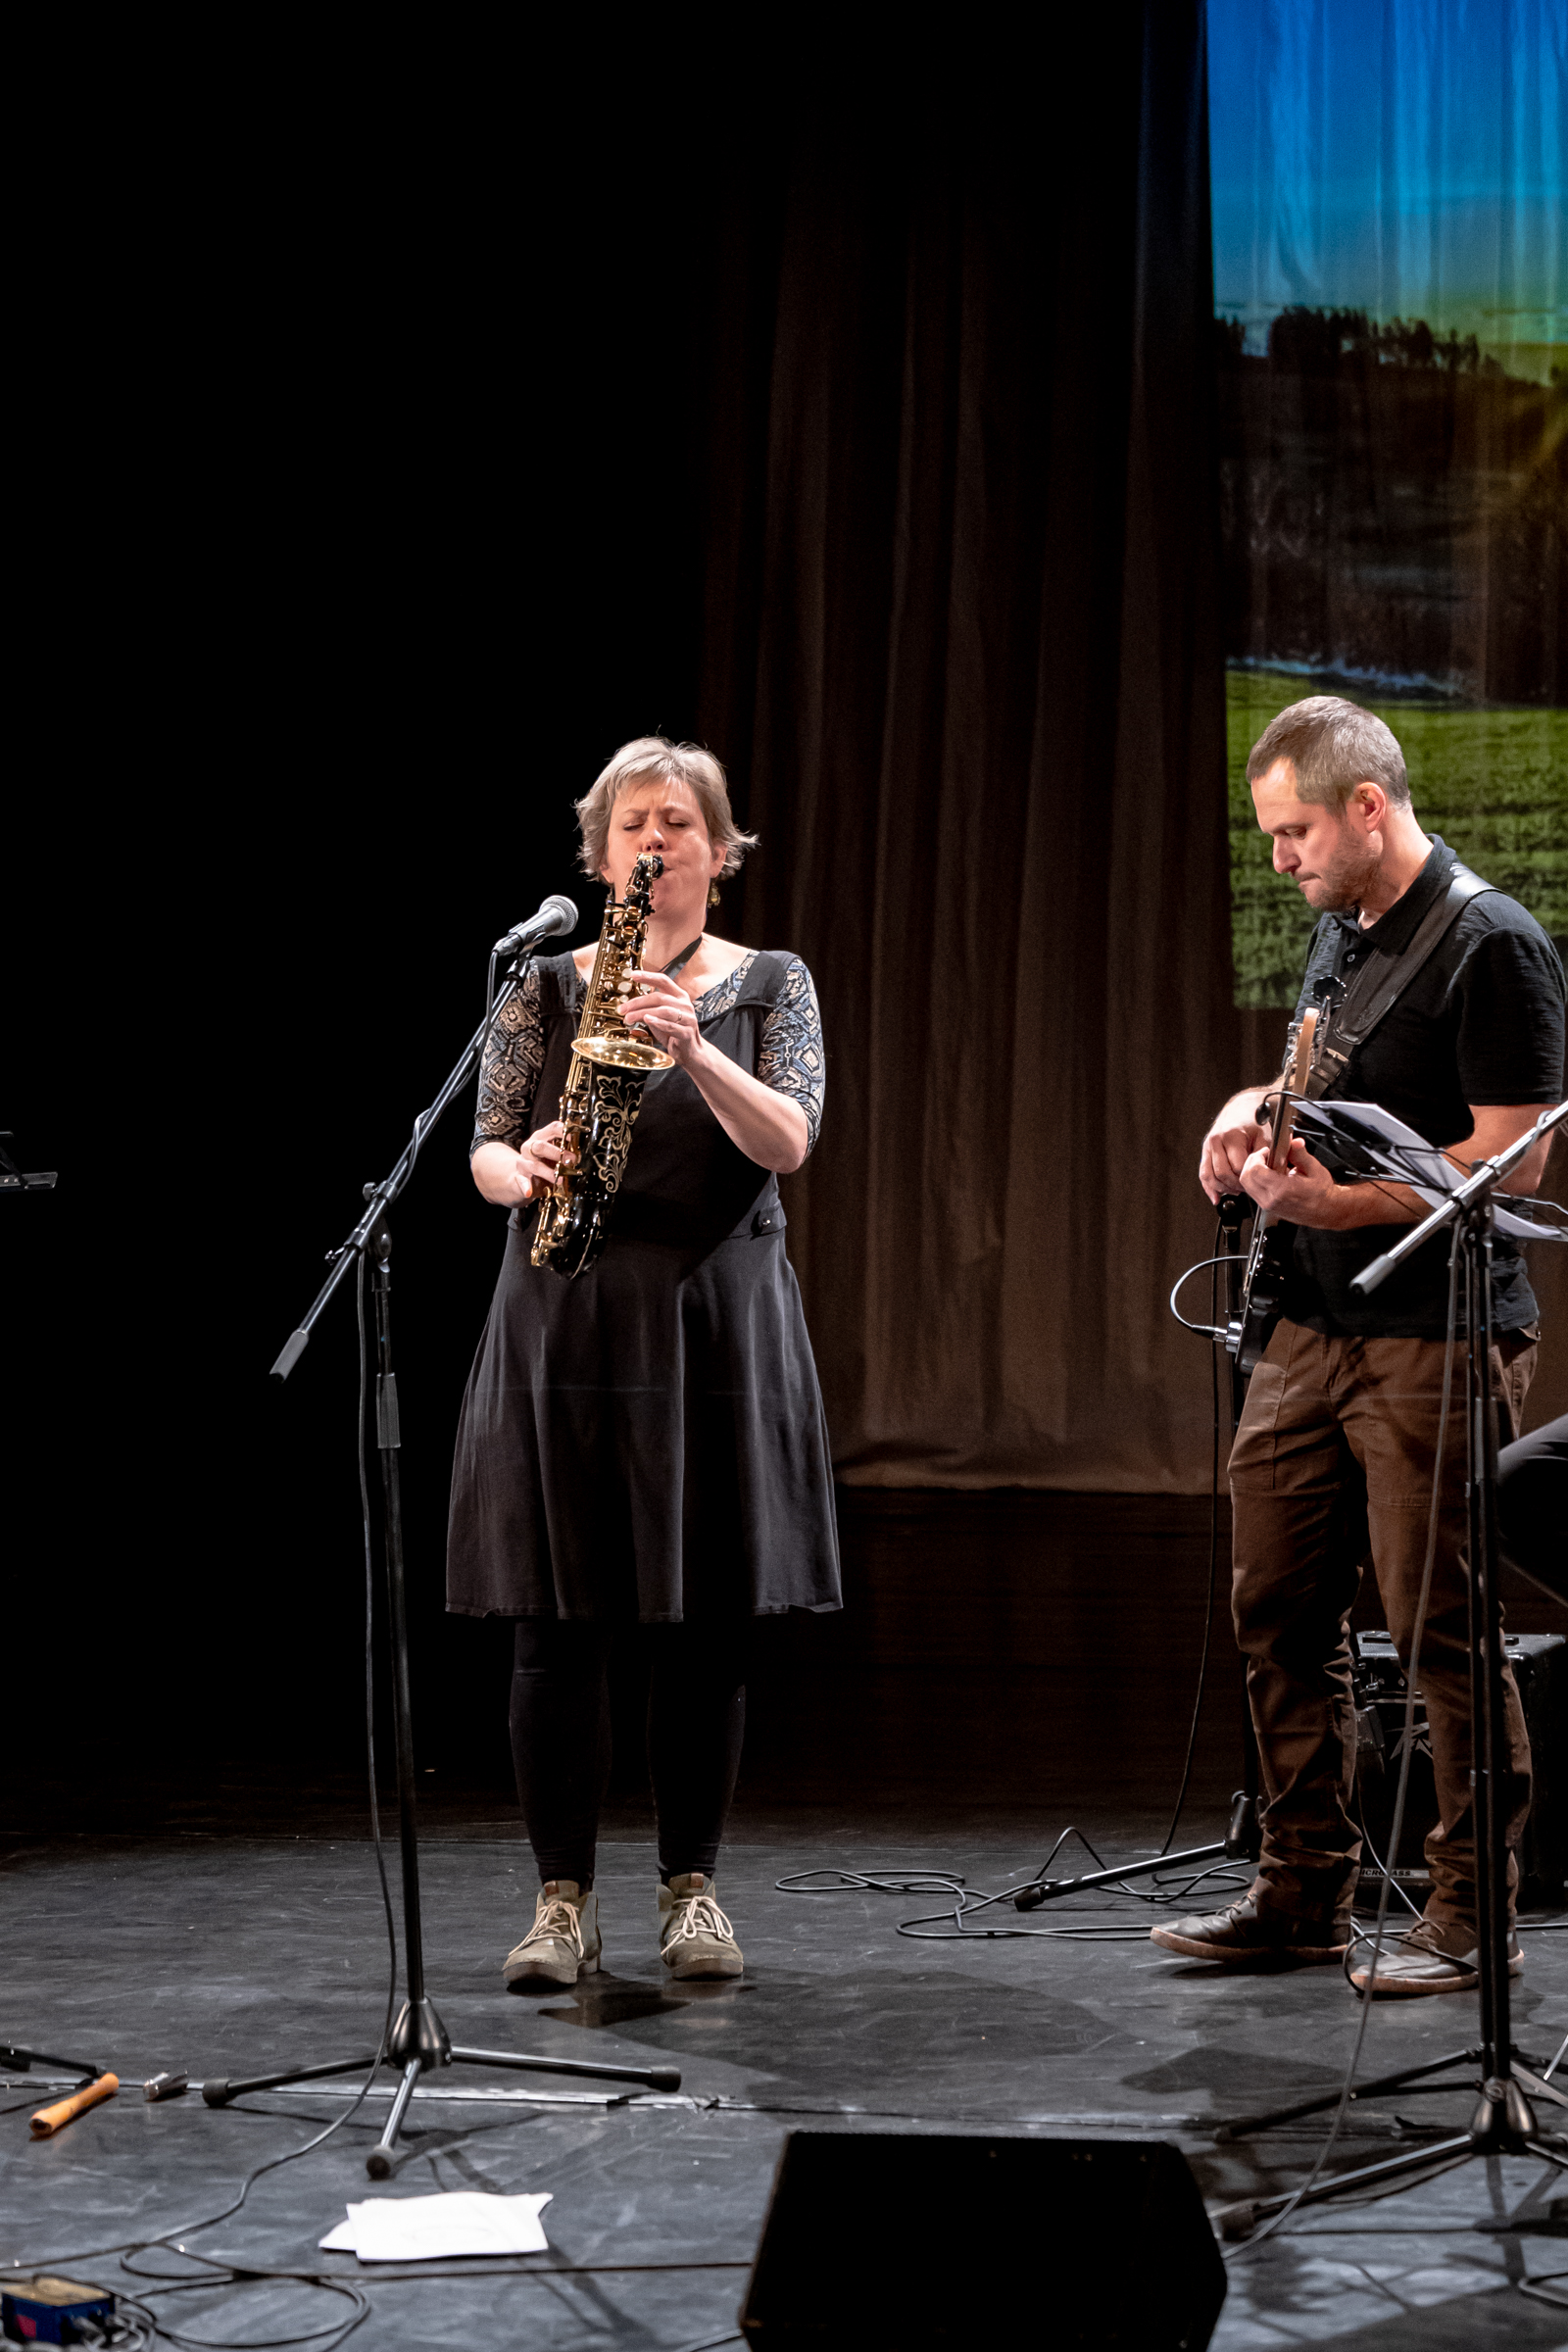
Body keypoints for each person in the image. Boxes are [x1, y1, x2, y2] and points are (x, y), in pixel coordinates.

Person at [1152, 696, 1565, 1994]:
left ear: (1369, 807)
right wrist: (1246, 1115)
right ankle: (1301, 1893)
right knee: (1277, 1608)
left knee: (1440, 1625)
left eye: (1296, 832)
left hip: (1434, 1335)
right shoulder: (1343, 927)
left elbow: (1512, 1157)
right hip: (1310, 1325)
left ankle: (1470, 1914)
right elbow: (1319, 1084)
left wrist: (1343, 1206)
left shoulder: (1492, 943)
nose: (1281, 859)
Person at [448, 737, 840, 1991]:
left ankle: (691, 1891)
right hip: (564, 1314)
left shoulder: (770, 982)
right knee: (554, 1622)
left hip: (711, 1319)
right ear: (600, 850)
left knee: (703, 1623)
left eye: (677, 823)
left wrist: (694, 1049)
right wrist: (521, 1166)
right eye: (631, 825)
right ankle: (560, 1900)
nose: (653, 843)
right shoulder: (541, 985)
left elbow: (789, 1141)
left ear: (720, 854)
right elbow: (485, 1145)